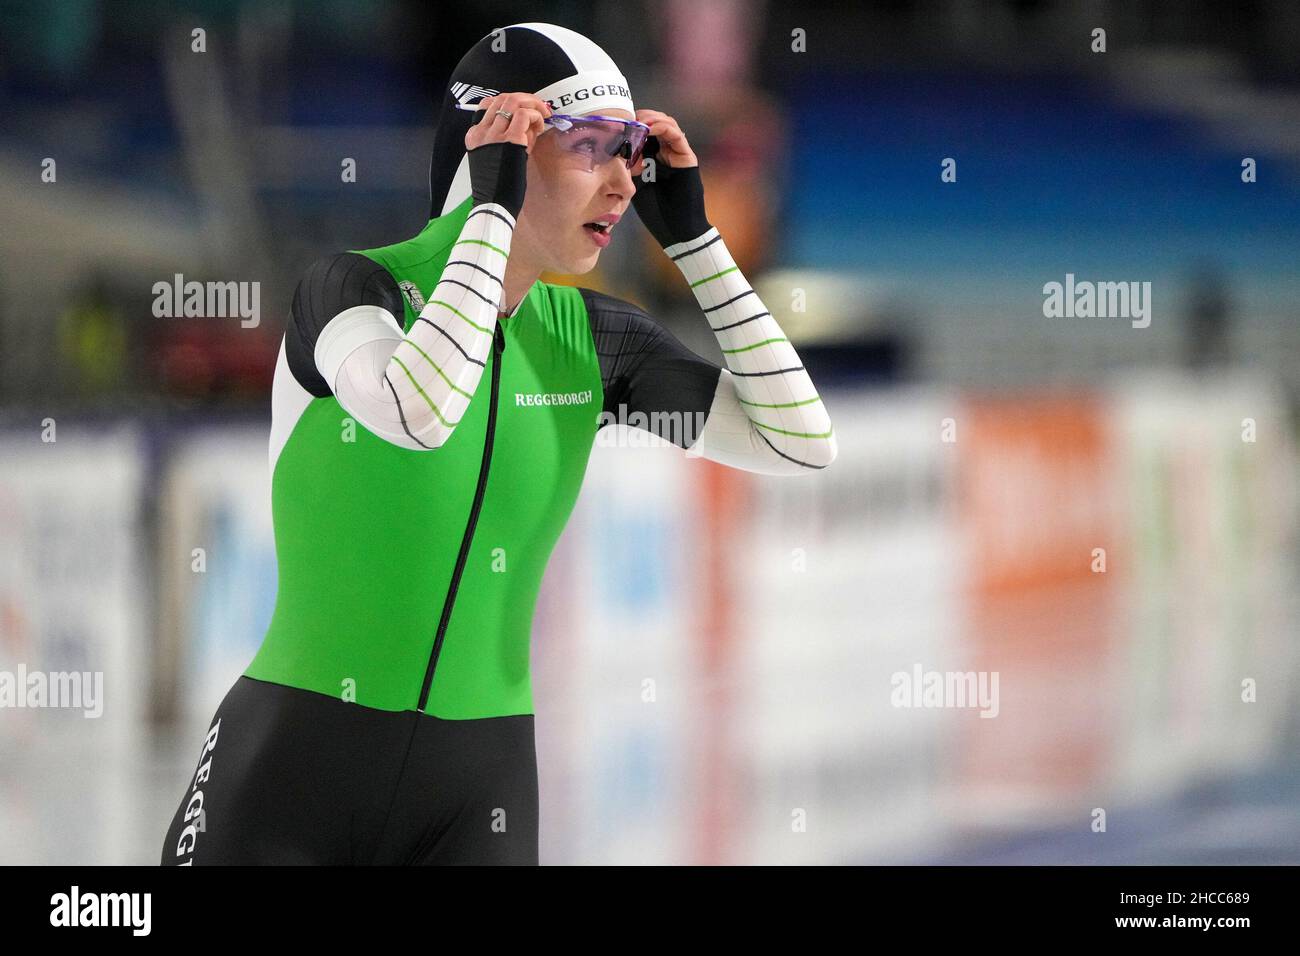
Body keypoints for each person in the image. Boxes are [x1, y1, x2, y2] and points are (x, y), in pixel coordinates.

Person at [160, 21, 836, 866]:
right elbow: (419, 411)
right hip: (295, 768)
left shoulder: (590, 343)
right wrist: (490, 212)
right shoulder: (351, 292)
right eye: (592, 147)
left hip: (480, 787)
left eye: (632, 151)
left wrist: (698, 246)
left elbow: (800, 440)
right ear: (496, 152)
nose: (626, 183)